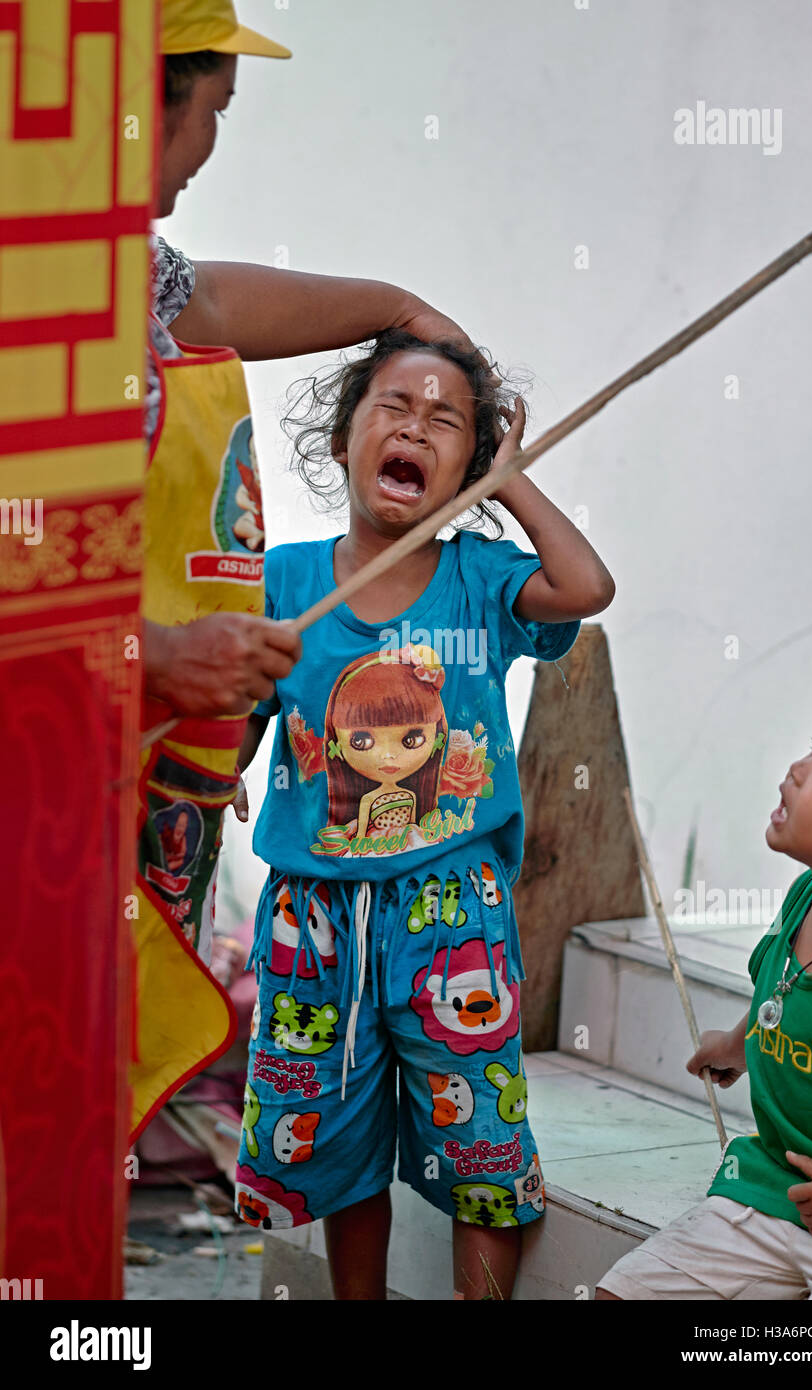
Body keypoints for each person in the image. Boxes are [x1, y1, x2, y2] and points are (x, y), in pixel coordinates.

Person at [132, 0, 492, 1137]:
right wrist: (156, 663)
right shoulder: (31, 296)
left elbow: (209, 301)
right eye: (218, 107)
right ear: (148, 99)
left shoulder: (119, 274)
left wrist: (396, 310)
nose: (211, 145)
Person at [230, 329, 616, 1299]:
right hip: (312, 921)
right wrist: (216, 767)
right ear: (340, 440)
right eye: (393, 408)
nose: (415, 425)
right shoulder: (285, 583)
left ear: (466, 466)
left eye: (447, 421)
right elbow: (243, 710)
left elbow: (585, 587)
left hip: (453, 920)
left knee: (479, 1148)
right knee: (336, 1143)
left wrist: (512, 482)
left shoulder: (482, 582)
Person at [596, 687, 812, 1301]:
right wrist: (740, 1042)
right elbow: (783, 993)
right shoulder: (804, 899)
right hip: (771, 1188)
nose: (796, 772)